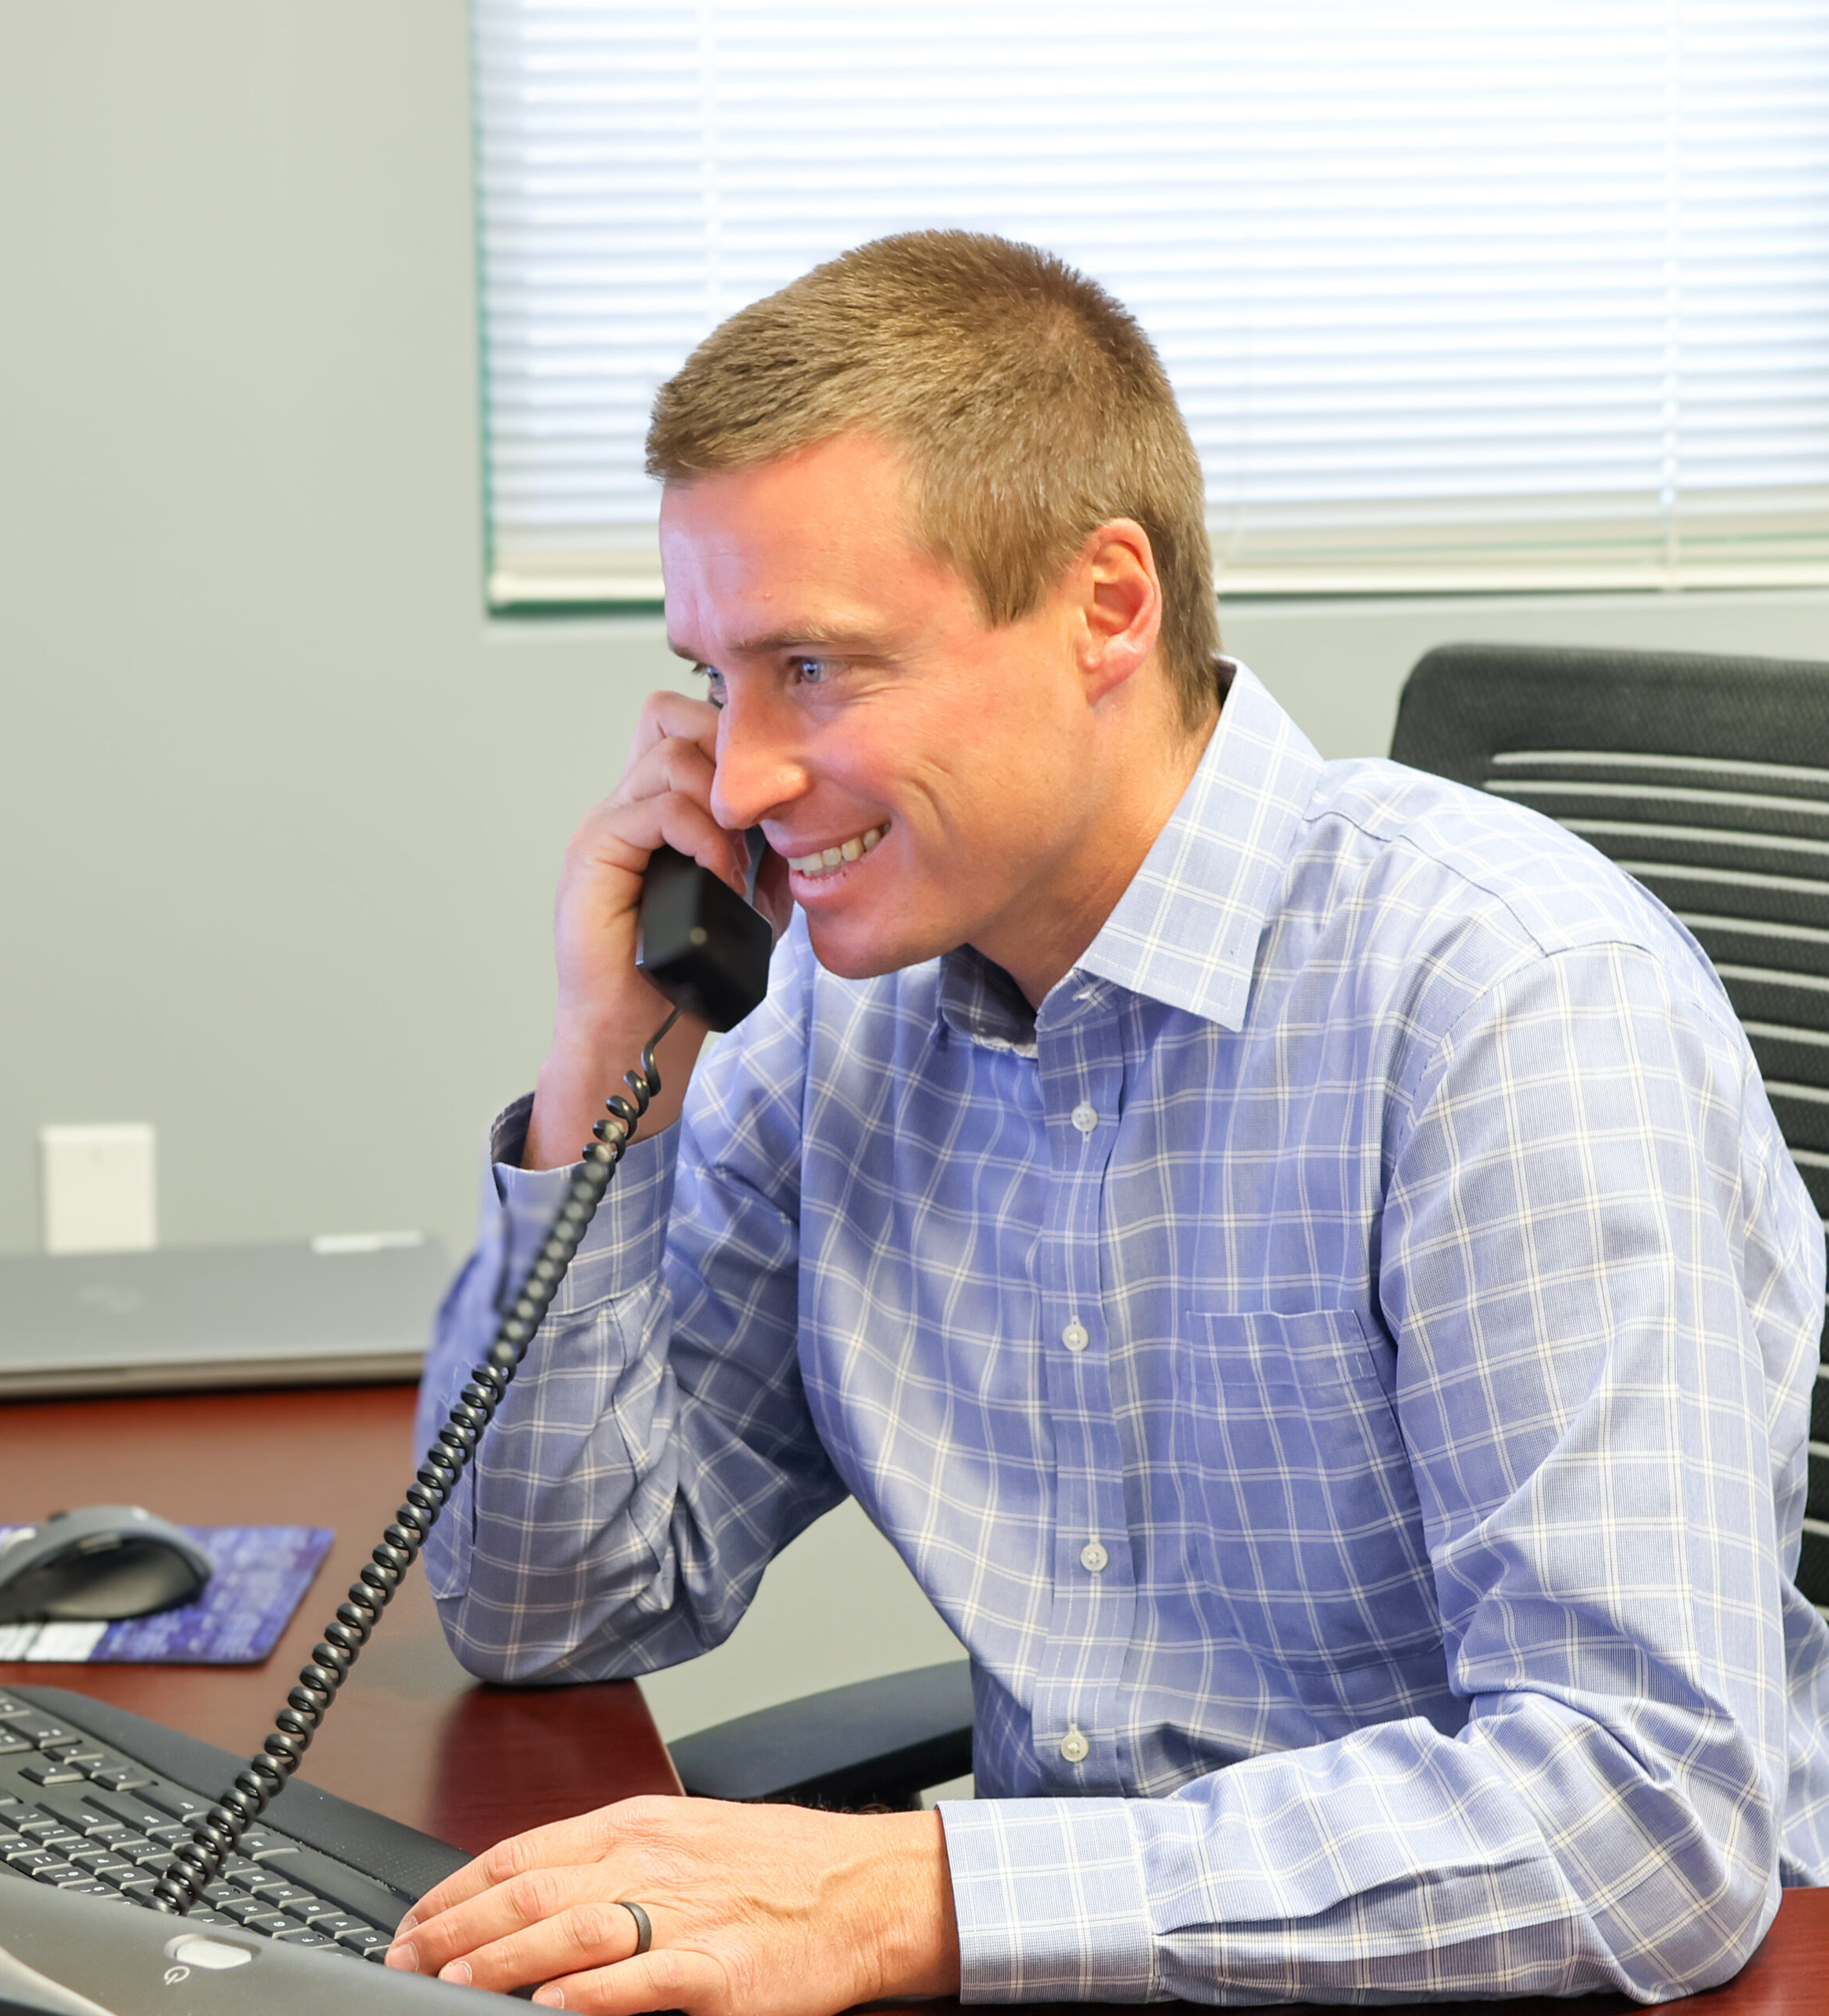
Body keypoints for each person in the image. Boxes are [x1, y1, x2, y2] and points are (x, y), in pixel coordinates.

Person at [391, 232, 1829, 2012]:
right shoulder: (839, 1012)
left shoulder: (1511, 1004)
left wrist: (921, 1888)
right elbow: (556, 1606)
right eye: (713, 678)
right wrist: (605, 1073)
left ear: (1106, 607)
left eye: (817, 671)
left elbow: (1644, 1817)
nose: (743, 779)